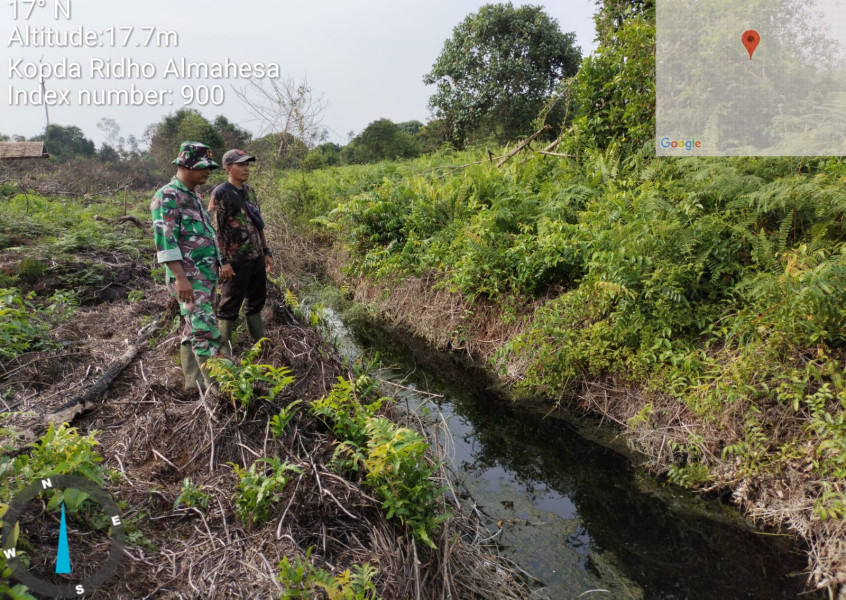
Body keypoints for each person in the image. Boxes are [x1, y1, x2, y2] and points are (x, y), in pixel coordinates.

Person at [150, 141, 224, 392]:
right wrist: (180, 278)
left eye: (209, 167)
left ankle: (192, 384)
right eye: (203, 167)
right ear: (185, 165)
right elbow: (165, 242)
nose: (208, 172)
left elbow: (206, 236)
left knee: (194, 327)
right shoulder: (167, 196)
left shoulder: (194, 196)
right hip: (189, 279)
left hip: (204, 276)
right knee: (205, 331)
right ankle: (217, 391)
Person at [209, 149, 274, 356]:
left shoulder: (250, 191)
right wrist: (223, 262)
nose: (246, 168)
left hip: (255, 258)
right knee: (229, 305)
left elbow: (258, 224)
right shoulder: (220, 193)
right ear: (228, 168)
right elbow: (216, 231)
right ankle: (225, 355)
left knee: (256, 301)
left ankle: (259, 346)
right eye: (241, 165)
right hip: (235, 261)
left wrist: (266, 250)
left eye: (248, 164)